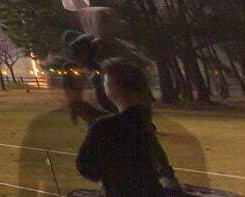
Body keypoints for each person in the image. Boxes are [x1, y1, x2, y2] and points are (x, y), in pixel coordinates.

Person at [75, 58, 195, 197]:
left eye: (105, 82)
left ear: (114, 85)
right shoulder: (144, 122)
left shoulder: (105, 126)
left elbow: (87, 168)